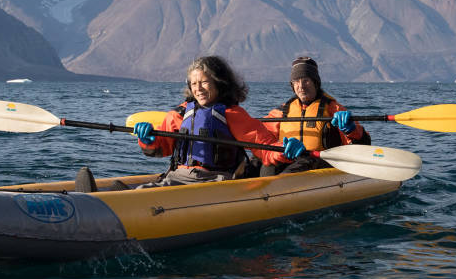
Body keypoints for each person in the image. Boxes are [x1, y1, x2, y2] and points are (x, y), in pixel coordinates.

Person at [129, 55, 304, 187]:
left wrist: (284, 150)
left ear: (219, 84)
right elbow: (159, 149)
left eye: (204, 82)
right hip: (177, 177)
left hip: (216, 182)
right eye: (194, 83)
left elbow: (265, 148)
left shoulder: (233, 114)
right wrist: (147, 140)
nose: (198, 89)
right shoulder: (180, 114)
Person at [260, 56, 370, 176]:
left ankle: (277, 188)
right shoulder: (282, 111)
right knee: (266, 163)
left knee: (305, 162)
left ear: (315, 83)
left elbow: (362, 145)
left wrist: (352, 130)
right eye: (296, 81)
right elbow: (260, 137)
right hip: (290, 161)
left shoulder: (333, 109)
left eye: (306, 80)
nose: (301, 86)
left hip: (321, 164)